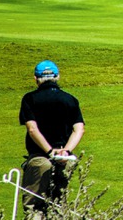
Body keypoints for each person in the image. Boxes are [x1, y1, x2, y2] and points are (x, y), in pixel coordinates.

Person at [19, 60, 85, 218]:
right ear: (57, 77)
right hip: (64, 160)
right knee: (58, 207)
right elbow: (79, 129)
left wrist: (49, 151)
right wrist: (65, 151)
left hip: (40, 159)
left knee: (34, 208)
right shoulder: (70, 99)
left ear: (36, 79)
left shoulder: (30, 99)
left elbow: (32, 129)